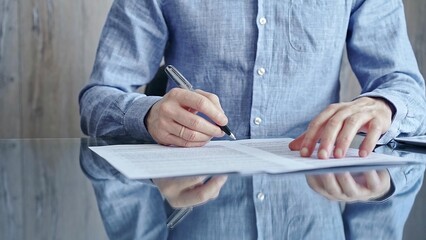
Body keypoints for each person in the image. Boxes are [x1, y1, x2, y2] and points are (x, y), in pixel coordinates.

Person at [79, 0, 426, 239]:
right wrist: (149, 114)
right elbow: (98, 97)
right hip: (189, 198)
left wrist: (383, 105)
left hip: (312, 194)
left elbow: (404, 85)